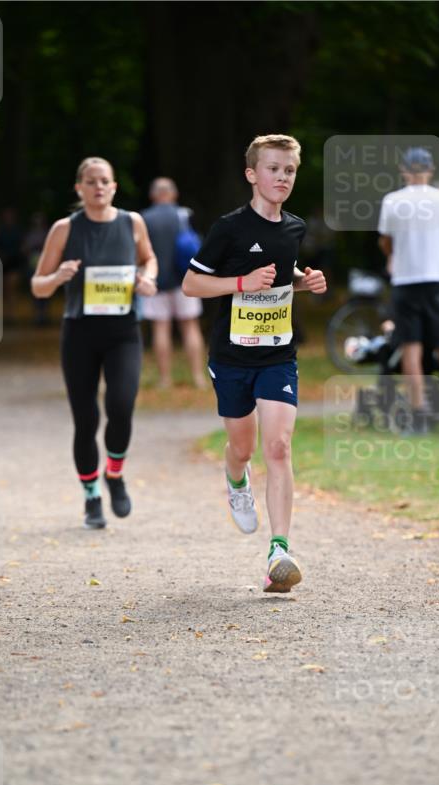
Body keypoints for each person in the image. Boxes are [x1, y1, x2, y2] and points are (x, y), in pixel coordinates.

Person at [182, 134, 326, 593]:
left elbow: (284, 274)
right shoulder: (229, 228)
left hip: (278, 355)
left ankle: (278, 551)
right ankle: (235, 477)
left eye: (289, 171)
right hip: (231, 358)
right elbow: (190, 285)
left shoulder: (294, 227)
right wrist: (241, 281)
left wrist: (306, 282)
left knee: (279, 447)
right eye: (273, 169)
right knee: (242, 447)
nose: (282, 177)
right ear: (252, 174)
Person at [31, 157, 157, 529]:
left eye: (105, 181)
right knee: (86, 420)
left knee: (121, 405)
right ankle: (91, 497)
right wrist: (58, 276)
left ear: (114, 186)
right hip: (80, 332)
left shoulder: (132, 222)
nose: (99, 187)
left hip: (123, 332)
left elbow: (149, 260)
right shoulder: (64, 229)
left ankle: (114, 474)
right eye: (91, 181)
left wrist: (146, 278)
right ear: (79, 188)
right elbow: (38, 285)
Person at [378, 147, 439, 437]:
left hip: (406, 281)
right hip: (438, 280)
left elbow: (385, 242)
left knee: (412, 349)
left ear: (405, 171)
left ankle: (418, 416)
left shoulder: (392, 201)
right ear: (430, 170)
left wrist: (396, 257)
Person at [141, 177, 207, 389]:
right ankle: (198, 377)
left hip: (156, 281)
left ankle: (164, 379)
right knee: (190, 326)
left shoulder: (143, 219)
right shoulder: (184, 215)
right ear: (173, 194)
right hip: (184, 281)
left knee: (161, 328)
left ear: (153, 195)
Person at [24, 212, 50, 326]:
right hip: (33, 267)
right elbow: (24, 249)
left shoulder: (48, 234)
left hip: (46, 266)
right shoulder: (30, 235)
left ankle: (44, 315)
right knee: (35, 291)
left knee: (46, 291)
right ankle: (37, 315)